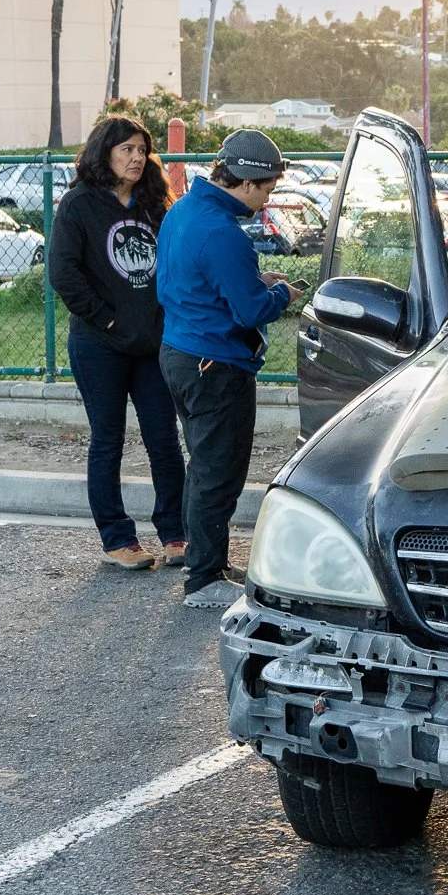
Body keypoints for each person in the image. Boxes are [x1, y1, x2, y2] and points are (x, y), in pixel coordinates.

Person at [156, 130, 304, 609]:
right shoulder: (224, 233)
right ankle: (204, 580)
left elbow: (196, 280)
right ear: (246, 181)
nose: (267, 200)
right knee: (218, 471)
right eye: (268, 188)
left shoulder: (182, 212)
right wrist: (281, 293)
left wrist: (253, 282)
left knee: (203, 465)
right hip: (216, 364)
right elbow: (251, 311)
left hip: (179, 352)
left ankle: (208, 560)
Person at [47, 115, 187, 570]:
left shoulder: (154, 204)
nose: (136, 158)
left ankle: (176, 533)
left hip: (152, 345)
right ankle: (117, 539)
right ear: (104, 152)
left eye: (141, 150)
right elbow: (63, 274)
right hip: (99, 345)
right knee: (107, 440)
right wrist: (107, 322)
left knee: (164, 439)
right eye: (126, 149)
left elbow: (174, 264)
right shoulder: (79, 204)